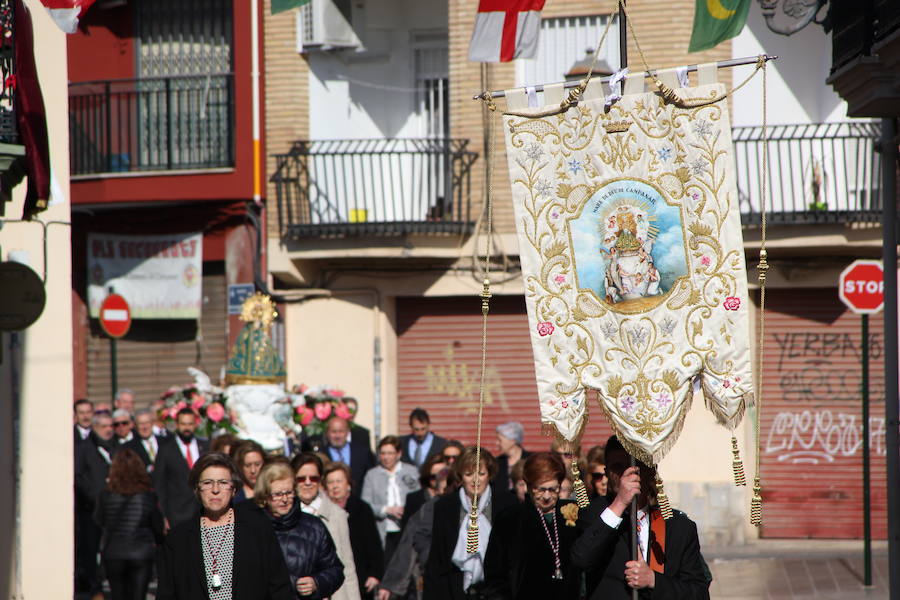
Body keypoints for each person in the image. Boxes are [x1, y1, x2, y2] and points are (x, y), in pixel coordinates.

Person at [571, 436, 711, 599]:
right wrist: (621, 502)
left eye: (633, 467)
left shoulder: (678, 527)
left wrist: (654, 581)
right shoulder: (594, 514)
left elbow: (699, 593)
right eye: (617, 467)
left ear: (651, 470)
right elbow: (580, 559)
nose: (625, 476)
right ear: (607, 472)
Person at [156, 452, 294, 600]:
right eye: (207, 483)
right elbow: (167, 593)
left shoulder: (258, 529)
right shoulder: (178, 539)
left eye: (223, 482)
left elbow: (280, 587)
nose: (215, 490)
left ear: (233, 488)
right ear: (197, 489)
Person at [484, 452, 581, 599]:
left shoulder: (571, 513)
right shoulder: (510, 519)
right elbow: (495, 576)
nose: (547, 496)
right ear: (528, 486)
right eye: (541, 489)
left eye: (553, 489)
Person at [424, 447, 516, 600]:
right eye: (469, 474)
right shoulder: (445, 506)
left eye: (481, 473)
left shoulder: (506, 503)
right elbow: (436, 558)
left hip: (496, 591)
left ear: (490, 474)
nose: (475, 480)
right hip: (454, 590)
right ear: (460, 476)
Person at [255, 462, 345, 598]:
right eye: (278, 494)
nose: (284, 499)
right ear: (265, 496)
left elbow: (335, 570)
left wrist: (317, 582)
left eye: (289, 493)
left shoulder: (314, 526)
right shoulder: (253, 528)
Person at [94, 448, 164, 600]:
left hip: (114, 551)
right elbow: (157, 526)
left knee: (117, 595)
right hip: (141, 552)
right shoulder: (148, 495)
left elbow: (99, 520)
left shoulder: (106, 495)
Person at [292, 452, 362, 600]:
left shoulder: (337, 515)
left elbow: (347, 565)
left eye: (314, 478)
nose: (308, 482)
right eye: (301, 478)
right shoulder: (286, 516)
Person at [377, 466, 452, 600]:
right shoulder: (429, 510)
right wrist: (390, 584)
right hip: (434, 577)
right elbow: (407, 548)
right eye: (442, 493)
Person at [324, 462, 384, 599]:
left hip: (361, 578)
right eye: (330, 482)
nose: (335, 486)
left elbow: (373, 544)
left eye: (339, 481)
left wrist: (375, 574)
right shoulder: (322, 511)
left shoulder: (362, 509)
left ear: (348, 484)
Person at [75, 410, 117, 600]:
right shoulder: (84, 448)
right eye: (104, 426)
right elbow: (79, 477)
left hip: (116, 509)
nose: (109, 430)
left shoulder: (117, 447)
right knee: (91, 550)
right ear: (95, 427)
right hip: (91, 510)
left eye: (111, 426)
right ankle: (95, 588)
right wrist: (93, 497)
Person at [362, 435, 421, 560]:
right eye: (383, 453)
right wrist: (387, 510)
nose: (386, 457)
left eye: (390, 453)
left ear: (398, 454)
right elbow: (365, 505)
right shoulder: (372, 475)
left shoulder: (412, 471)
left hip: (407, 529)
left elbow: (419, 498)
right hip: (384, 530)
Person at [154, 408, 210, 528]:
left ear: (195, 425)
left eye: (190, 424)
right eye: (183, 424)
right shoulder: (166, 450)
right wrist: (164, 516)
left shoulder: (205, 446)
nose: (186, 428)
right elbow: (159, 484)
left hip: (204, 513)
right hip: (177, 515)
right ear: (177, 425)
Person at [322, 416, 376, 492]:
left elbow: (372, 477)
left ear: (347, 432)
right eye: (333, 432)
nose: (337, 436)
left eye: (341, 431)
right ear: (327, 433)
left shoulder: (363, 452)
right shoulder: (321, 454)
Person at [401, 454, 447, 530]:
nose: (438, 480)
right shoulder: (413, 499)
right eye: (433, 477)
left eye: (442, 476)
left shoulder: (453, 498)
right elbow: (407, 529)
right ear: (427, 476)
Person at [493, 422, 529, 493]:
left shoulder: (530, 460)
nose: (497, 443)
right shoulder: (496, 463)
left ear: (512, 440)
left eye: (500, 440)